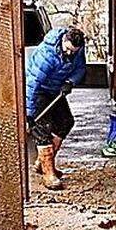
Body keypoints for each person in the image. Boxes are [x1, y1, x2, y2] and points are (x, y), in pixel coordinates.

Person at [25, 26, 86, 190]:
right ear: (63, 41)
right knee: (43, 128)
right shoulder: (46, 55)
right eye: (67, 49)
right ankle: (48, 174)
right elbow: (32, 85)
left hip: (56, 90)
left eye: (73, 51)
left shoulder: (77, 50)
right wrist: (29, 114)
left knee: (66, 122)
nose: (69, 54)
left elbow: (80, 68)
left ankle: (42, 163)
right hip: (39, 91)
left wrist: (70, 82)